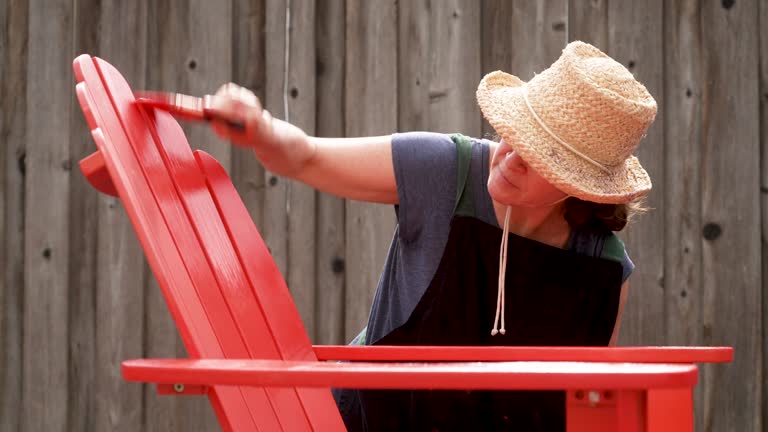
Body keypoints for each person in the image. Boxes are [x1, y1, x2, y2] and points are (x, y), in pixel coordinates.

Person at [207, 41, 657, 431]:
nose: (512, 155)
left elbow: (590, 407)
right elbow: (304, 157)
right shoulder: (444, 170)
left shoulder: (605, 270)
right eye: (517, 132)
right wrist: (260, 126)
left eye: (544, 155)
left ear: (580, 188)